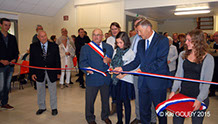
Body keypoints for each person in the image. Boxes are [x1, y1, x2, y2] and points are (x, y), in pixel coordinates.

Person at [114, 19, 170, 124]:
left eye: (139, 31)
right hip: (143, 82)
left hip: (157, 82)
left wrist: (143, 69)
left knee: (160, 111)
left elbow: (161, 61)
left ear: (148, 28)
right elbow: (136, 61)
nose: (138, 34)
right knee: (144, 110)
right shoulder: (140, 43)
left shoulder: (162, 40)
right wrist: (122, 68)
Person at [169, 29, 214, 124]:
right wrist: (173, 91)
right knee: (177, 121)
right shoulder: (183, 55)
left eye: (189, 40)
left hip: (198, 97)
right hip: (183, 95)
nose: (186, 42)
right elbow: (179, 75)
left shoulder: (208, 59)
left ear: (198, 41)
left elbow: (207, 82)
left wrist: (199, 99)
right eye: (186, 40)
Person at [80, 28, 113, 124]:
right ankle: (90, 118)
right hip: (92, 78)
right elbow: (82, 63)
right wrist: (87, 70)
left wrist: (109, 61)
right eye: (94, 34)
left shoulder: (109, 47)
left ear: (102, 36)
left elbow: (112, 61)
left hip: (105, 78)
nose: (95, 37)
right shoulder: (86, 48)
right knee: (90, 100)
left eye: (98, 35)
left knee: (105, 99)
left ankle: (105, 116)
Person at [29, 30, 61, 116]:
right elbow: (31, 61)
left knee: (53, 90)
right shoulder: (33, 46)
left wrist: (58, 72)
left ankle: (54, 108)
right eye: (42, 36)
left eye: (45, 36)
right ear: (38, 37)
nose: (44, 38)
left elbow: (58, 60)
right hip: (39, 72)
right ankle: (42, 107)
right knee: (40, 90)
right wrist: (32, 73)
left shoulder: (54, 46)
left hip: (52, 71)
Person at [111, 32, 135, 124]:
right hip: (116, 80)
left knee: (126, 103)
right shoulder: (116, 51)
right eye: (117, 43)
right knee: (118, 102)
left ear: (126, 42)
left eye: (121, 42)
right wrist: (112, 70)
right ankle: (119, 121)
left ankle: (127, 122)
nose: (119, 45)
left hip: (126, 81)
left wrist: (123, 75)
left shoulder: (130, 52)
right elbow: (113, 63)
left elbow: (134, 67)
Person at [0, 18, 19, 110]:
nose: (7, 27)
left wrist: (15, 59)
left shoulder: (12, 38)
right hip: (0, 66)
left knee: (7, 86)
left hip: (10, 66)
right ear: (0, 25)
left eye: (9, 25)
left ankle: (4, 103)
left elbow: (16, 51)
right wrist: (1, 60)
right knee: (0, 86)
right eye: (5, 25)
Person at [208, 31, 218, 97]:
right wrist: (215, 51)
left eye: (216, 36)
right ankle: (212, 91)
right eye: (214, 36)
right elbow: (208, 50)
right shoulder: (211, 44)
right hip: (212, 62)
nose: (215, 37)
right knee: (213, 77)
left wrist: (213, 52)